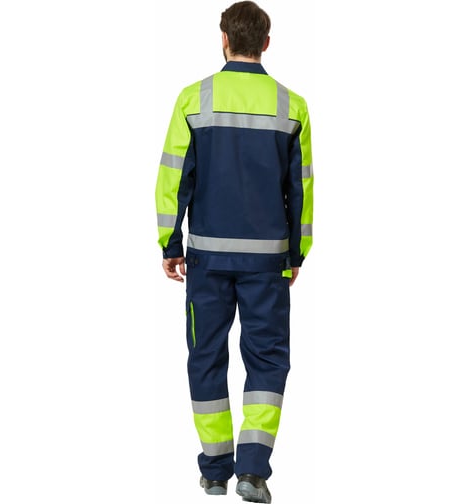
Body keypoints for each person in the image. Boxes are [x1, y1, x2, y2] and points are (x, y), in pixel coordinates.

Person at [155, 2, 313, 502]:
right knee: (267, 360)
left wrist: (170, 242)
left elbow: (174, 177)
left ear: (223, 38)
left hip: (206, 261)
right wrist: (296, 253)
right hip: (267, 263)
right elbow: (301, 188)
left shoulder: (193, 99)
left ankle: (215, 470)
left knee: (205, 356)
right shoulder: (292, 106)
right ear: (266, 42)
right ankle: (253, 471)